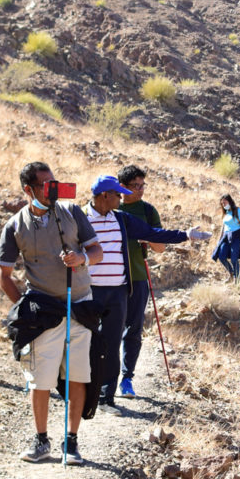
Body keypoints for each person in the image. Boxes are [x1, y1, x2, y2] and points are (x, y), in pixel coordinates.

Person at [0, 162, 102, 465]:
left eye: (54, 182)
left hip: (80, 305)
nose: (52, 189)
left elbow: (97, 251)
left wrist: (81, 258)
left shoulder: (71, 212)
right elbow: (3, 274)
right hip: (44, 313)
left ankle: (72, 442)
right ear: (28, 190)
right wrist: (26, 309)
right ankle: (41, 441)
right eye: (46, 184)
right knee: (39, 380)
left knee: (78, 377)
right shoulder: (15, 226)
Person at [84, 175, 208, 413]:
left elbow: (153, 233)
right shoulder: (79, 218)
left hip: (118, 292)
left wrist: (185, 235)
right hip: (88, 292)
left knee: (110, 344)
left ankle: (105, 398)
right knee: (86, 342)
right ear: (104, 196)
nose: (122, 198)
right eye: (118, 194)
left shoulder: (121, 219)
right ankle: (82, 391)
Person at [114, 165, 160, 399]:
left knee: (133, 329)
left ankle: (127, 379)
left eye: (143, 186)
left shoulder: (148, 210)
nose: (141, 190)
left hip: (139, 277)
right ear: (121, 187)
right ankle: (105, 379)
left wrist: (148, 238)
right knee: (108, 329)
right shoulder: (110, 207)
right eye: (136, 186)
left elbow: (160, 247)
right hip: (110, 278)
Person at [213, 194, 240, 282]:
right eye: (222, 203)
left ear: (230, 201)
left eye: (225, 202)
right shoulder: (225, 213)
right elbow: (223, 226)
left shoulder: (238, 211)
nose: (223, 205)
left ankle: (237, 279)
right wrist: (219, 239)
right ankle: (231, 274)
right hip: (226, 236)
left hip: (236, 236)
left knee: (234, 258)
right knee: (221, 256)